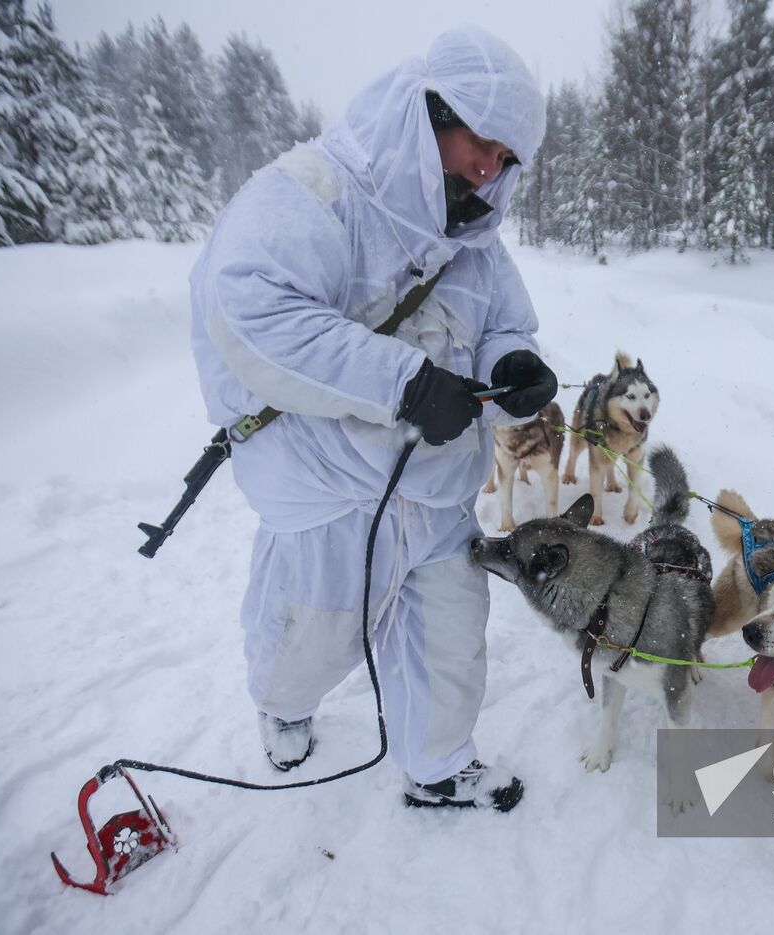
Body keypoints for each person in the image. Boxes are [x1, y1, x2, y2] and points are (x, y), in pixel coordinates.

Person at [188, 27, 556, 812]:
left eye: (506, 158)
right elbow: (250, 310)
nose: (488, 169)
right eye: (480, 143)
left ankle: (437, 763)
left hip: (438, 488)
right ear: (429, 113)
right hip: (329, 487)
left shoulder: (478, 243)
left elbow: (504, 324)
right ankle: (284, 707)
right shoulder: (316, 191)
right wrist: (406, 382)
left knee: (451, 640)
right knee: (313, 633)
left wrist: (511, 366)